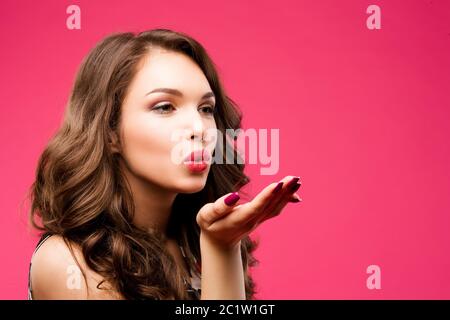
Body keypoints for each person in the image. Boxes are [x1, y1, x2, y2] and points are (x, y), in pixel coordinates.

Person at [26, 28, 302, 300]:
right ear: (110, 133)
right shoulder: (69, 263)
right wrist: (220, 249)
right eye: (165, 107)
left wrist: (225, 246)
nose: (199, 128)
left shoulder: (196, 244)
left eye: (205, 109)